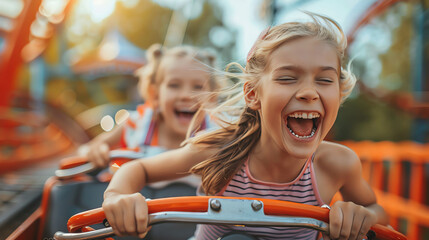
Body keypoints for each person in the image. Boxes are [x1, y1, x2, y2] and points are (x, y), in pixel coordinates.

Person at [102, 13, 389, 240]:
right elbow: (137, 168)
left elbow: (376, 210)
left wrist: (361, 216)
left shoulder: (338, 164)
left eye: (325, 80)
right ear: (253, 94)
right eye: (288, 78)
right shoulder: (221, 149)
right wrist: (118, 197)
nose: (309, 92)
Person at [81, 44, 220, 168]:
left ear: (212, 97)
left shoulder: (218, 134)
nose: (186, 95)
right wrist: (96, 150)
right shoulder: (138, 124)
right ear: (155, 94)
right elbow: (89, 148)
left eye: (198, 87)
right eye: (174, 85)